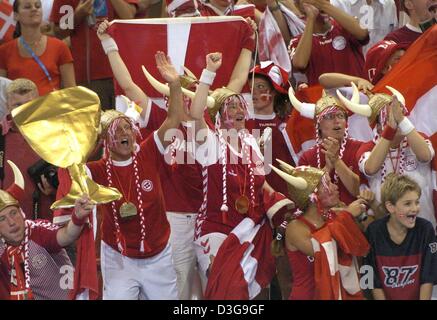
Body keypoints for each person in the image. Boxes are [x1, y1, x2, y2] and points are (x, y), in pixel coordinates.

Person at [55, 52, 183, 300]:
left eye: (128, 126)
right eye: (117, 130)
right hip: (119, 258)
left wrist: (175, 85)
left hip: (159, 254)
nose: (126, 132)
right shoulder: (96, 170)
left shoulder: (149, 151)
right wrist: (91, 134)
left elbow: (174, 119)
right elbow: (71, 163)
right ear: (105, 140)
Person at [187, 52, 294, 299]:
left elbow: (262, 183)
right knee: (225, 287)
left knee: (254, 291)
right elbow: (195, 114)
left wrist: (280, 202)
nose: (237, 109)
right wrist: (209, 73)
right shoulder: (210, 142)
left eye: (239, 105)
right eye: (230, 106)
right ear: (219, 115)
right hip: (215, 228)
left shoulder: (252, 142)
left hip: (249, 227)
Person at [338, 85, 436, 229]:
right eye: (390, 118)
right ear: (378, 127)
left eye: (401, 116)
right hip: (388, 229)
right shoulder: (367, 148)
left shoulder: (418, 138)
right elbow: (371, 168)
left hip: (424, 225)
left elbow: (425, 156)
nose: (398, 122)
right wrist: (390, 130)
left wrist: (402, 121)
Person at [269, 162, 370, 299]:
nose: (335, 187)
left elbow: (360, 246)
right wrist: (348, 216)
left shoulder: (336, 216)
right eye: (328, 184)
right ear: (313, 197)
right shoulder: (295, 228)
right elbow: (325, 250)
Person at [0, 160, 94, 300]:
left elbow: (67, 235)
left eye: (14, 213)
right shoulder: (2, 248)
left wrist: (77, 218)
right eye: (2, 219)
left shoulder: (37, 230)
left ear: (22, 213)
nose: (12, 222)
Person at [50, 0, 138, 109]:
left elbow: (129, 17)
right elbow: (59, 32)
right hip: (86, 78)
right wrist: (78, 15)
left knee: (125, 123)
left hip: (122, 73)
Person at [364, 173, 437, 300]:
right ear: (390, 207)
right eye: (408, 203)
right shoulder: (373, 232)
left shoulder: (426, 230)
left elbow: (428, 277)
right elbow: (369, 278)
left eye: (417, 202)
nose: (415, 208)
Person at [289, 88, 364, 205]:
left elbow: (360, 191)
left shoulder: (360, 148)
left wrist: (336, 161)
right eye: (329, 117)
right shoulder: (307, 157)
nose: (336, 121)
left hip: (355, 216)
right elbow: (304, 198)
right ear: (318, 124)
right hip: (321, 219)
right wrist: (327, 169)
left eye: (340, 116)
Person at [1, 78, 56, 221]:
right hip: (6, 225)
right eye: (17, 105)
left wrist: (56, 189)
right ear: (7, 106)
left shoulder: (53, 133)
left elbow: (69, 181)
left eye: (29, 104)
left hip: (47, 222)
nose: (23, 110)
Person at [0, 0, 75, 96]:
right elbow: (1, 94)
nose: (34, 9)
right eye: (27, 7)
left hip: (53, 109)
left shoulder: (60, 47)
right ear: (15, 15)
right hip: (19, 110)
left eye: (38, 6)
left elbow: (72, 90)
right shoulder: (4, 51)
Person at [289, 0, 369, 86]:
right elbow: (300, 64)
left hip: (358, 94)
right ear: (299, 6)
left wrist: (324, 5)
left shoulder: (345, 26)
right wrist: (311, 18)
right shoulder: (297, 41)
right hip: (325, 98)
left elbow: (363, 34)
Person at [319, 39, 407, 88]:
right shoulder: (364, 91)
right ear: (384, 69)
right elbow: (323, 78)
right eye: (398, 59)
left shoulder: (408, 82)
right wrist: (359, 81)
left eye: (405, 56)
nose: (405, 61)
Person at [330, 0, 398, 54]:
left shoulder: (389, 3)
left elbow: (392, 41)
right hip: (350, 67)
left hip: (380, 68)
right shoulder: (337, 3)